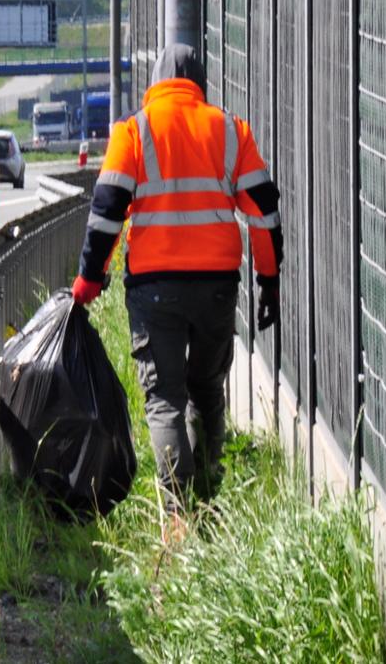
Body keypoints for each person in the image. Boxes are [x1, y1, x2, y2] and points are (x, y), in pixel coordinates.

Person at [71, 43, 283, 508]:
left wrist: (90, 277)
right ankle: (210, 482)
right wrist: (269, 279)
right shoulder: (231, 130)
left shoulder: (134, 130)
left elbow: (106, 212)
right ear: (199, 85)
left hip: (154, 287)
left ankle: (178, 510)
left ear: (156, 83)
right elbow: (264, 212)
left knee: (164, 397)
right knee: (206, 386)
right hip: (217, 285)